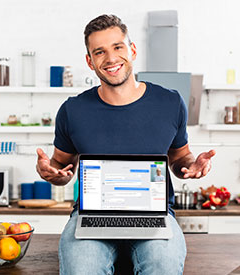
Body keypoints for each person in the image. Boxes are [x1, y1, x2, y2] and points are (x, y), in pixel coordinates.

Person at [35, 14, 215, 275]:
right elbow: (61, 167)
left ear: (132, 50)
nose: (110, 58)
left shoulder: (170, 102)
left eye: (118, 47)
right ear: (90, 61)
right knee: (81, 268)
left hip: (154, 215)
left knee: (162, 263)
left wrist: (191, 165)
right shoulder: (72, 110)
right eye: (100, 52)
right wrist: (50, 172)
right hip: (91, 216)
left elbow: (179, 158)